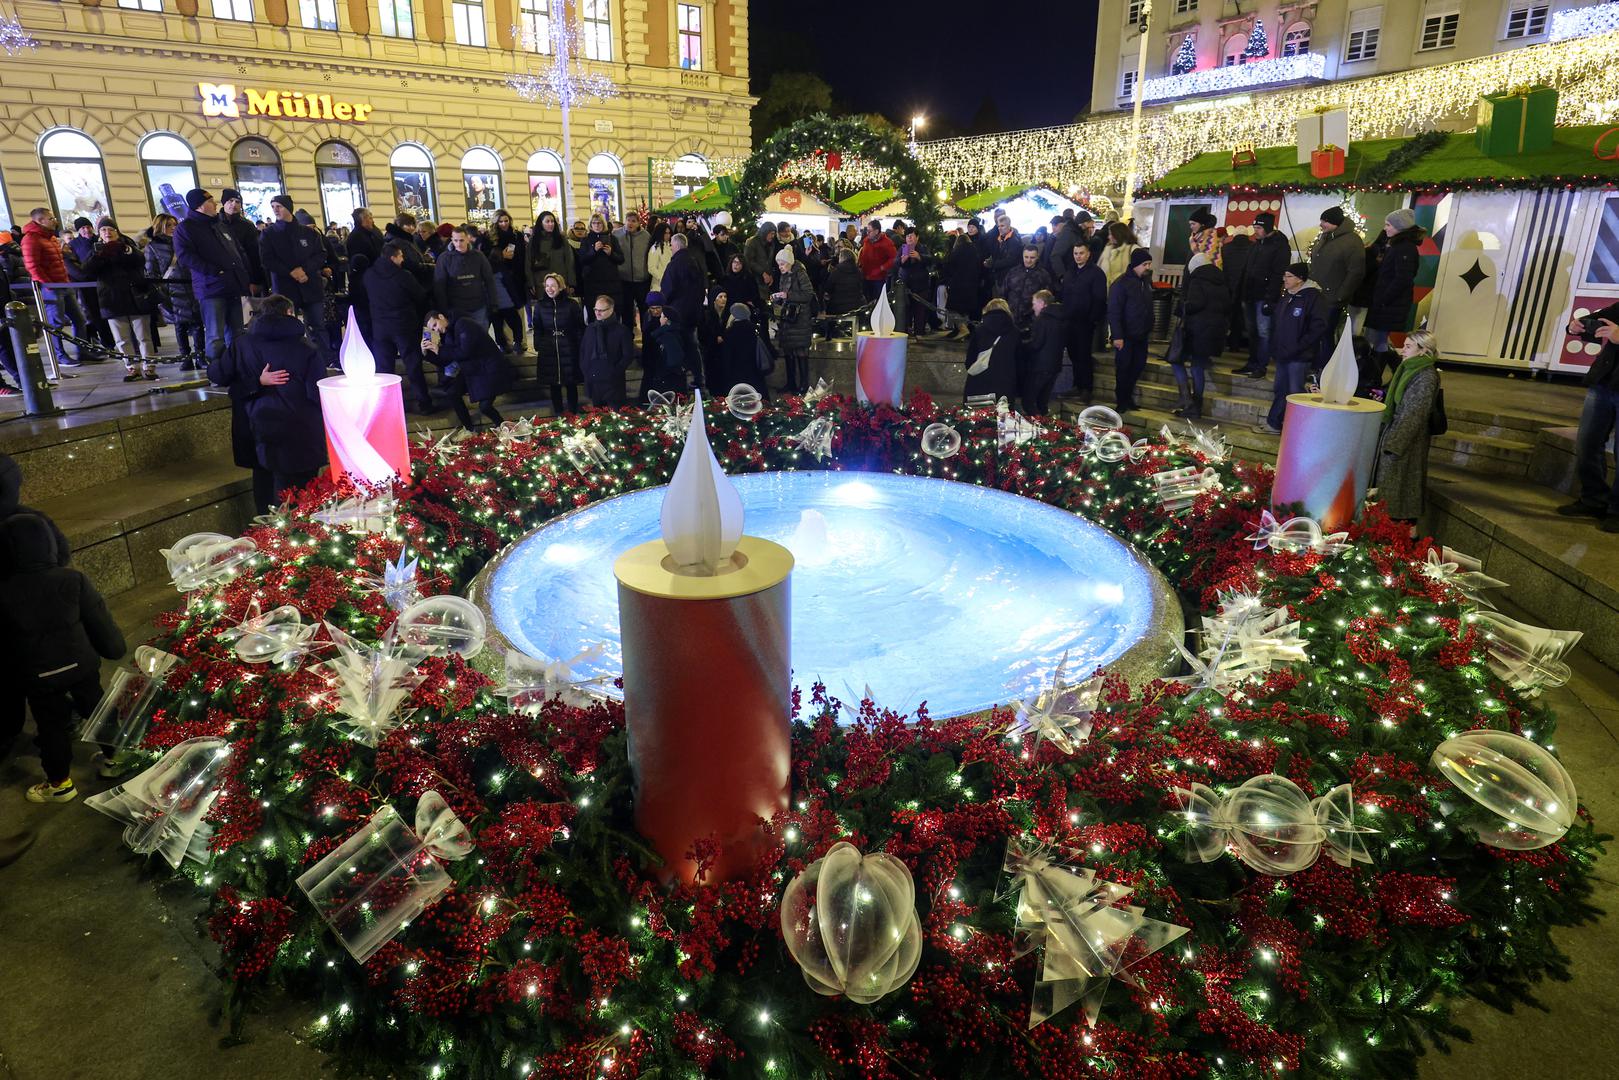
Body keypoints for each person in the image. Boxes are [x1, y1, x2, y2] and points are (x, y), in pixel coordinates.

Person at [0, 512, 126, 805]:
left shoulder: (3, 592)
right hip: (82, 665)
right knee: (97, 708)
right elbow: (99, 621)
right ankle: (116, 758)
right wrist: (114, 648)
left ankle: (59, 784)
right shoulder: (72, 579)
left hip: (38, 676)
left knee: (51, 727)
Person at [230, 295, 328, 501]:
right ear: (289, 313)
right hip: (302, 433)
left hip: (261, 428)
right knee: (300, 497)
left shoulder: (243, 344)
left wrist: (256, 382)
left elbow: (219, 375)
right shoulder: (306, 348)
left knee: (267, 492)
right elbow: (317, 393)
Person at [174, 188, 251, 374]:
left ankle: (237, 370)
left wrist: (243, 274)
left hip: (233, 285)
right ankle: (217, 372)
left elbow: (237, 250)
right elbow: (185, 256)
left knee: (237, 332)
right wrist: (213, 270)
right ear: (200, 206)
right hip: (211, 288)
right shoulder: (186, 228)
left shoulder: (220, 225)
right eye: (210, 201)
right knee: (215, 335)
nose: (215, 204)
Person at [1558, 304, 1619, 531]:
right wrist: (1576, 327)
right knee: (1587, 443)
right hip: (1605, 381)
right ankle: (1594, 500)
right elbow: (1599, 320)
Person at [1373, 329, 1441, 526]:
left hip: (1405, 445)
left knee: (1400, 497)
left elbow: (1414, 414)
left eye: (1408, 346)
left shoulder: (1426, 376)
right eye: (1404, 345)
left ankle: (1405, 538)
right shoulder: (1408, 369)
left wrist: (1394, 446)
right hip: (1396, 437)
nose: (1402, 350)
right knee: (1392, 495)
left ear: (1423, 350)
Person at [1255, 263, 1329, 435]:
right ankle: (1274, 423)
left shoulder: (1313, 298)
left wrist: (1299, 346)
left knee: (1296, 392)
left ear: (1300, 279)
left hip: (1299, 356)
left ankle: (1299, 430)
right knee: (1280, 389)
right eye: (1284, 275)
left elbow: (1318, 327)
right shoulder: (1287, 296)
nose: (1285, 279)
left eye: (1289, 276)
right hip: (1283, 354)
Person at [82, 218, 158, 382]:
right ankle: (132, 368)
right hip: (111, 300)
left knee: (144, 336)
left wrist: (124, 250)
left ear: (117, 231)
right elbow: (87, 270)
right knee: (121, 339)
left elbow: (140, 260)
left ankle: (149, 366)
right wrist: (100, 255)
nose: (107, 233)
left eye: (110, 229)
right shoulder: (95, 249)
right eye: (103, 230)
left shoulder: (127, 245)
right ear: (99, 233)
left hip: (135, 297)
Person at [258, 194, 331, 364]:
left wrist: (304, 269)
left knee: (317, 325)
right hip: (285, 288)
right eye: (273, 207)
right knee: (287, 326)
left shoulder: (308, 232)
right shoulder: (268, 234)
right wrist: (291, 272)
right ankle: (293, 361)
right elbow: (267, 260)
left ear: (288, 208)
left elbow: (320, 255)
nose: (275, 210)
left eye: (279, 206)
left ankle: (322, 360)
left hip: (310, 284)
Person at [19, 207, 95, 368]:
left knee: (79, 319)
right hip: (51, 288)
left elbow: (59, 262)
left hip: (63, 284)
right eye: (51, 218)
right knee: (55, 323)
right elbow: (32, 266)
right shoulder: (31, 239)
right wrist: (49, 285)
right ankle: (60, 356)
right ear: (40, 221)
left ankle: (83, 351)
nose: (55, 221)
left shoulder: (51, 237)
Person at [1363, 208, 1425, 391]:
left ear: (1400, 227)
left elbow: (1403, 279)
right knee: (1379, 341)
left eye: (1388, 225)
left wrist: (1384, 299)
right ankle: (1381, 377)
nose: (1385, 228)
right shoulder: (1397, 245)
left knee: (1379, 341)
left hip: (1389, 304)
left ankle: (1376, 379)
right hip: (1385, 303)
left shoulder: (1405, 248)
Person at [366, 242, 433, 409]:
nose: (403, 259)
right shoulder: (403, 276)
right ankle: (424, 402)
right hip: (403, 326)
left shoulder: (369, 275)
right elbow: (420, 295)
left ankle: (387, 404)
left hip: (380, 328)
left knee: (384, 369)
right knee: (413, 365)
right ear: (393, 258)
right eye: (401, 256)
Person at [421, 309, 511, 428]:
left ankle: (506, 428)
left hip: (489, 369)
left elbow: (464, 352)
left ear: (441, 317)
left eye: (435, 325)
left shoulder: (464, 324)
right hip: (474, 370)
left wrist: (440, 350)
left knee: (485, 407)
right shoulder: (449, 332)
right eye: (432, 329)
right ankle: (469, 429)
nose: (435, 330)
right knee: (453, 393)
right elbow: (448, 358)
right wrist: (426, 353)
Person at [1172, 252, 1229, 421]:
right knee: (1198, 367)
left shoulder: (1197, 281)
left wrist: (1181, 307)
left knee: (1176, 360)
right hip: (1214, 332)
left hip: (1197, 330)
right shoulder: (1221, 281)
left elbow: (1195, 304)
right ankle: (1196, 405)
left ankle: (1188, 401)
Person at [1309, 206, 1365, 370]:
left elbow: (1356, 272)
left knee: (1326, 334)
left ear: (1335, 223)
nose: (1321, 224)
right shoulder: (1326, 237)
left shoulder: (1352, 242)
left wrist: (1340, 295)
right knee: (1316, 332)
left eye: (1325, 221)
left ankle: (1325, 369)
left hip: (1332, 298)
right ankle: (1315, 366)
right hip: (1318, 295)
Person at [1235, 212, 1290, 380]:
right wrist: (1240, 292)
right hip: (1249, 294)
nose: (1255, 231)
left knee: (1263, 331)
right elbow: (1246, 270)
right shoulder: (1256, 245)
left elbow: (1278, 274)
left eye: (1259, 228)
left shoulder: (1280, 247)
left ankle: (1261, 365)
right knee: (1251, 331)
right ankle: (1252, 362)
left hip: (1264, 296)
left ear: (1267, 228)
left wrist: (1270, 298)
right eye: (1255, 227)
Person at [143, 213, 202, 366]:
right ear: (160, 227)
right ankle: (185, 357)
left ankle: (200, 355)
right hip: (171, 290)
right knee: (180, 324)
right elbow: (151, 271)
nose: (173, 228)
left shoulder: (184, 241)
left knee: (197, 322)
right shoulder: (153, 247)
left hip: (190, 286)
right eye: (169, 225)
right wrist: (160, 292)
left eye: (175, 224)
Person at [1058, 241, 1107, 403]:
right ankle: (1077, 385)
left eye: (1081, 253)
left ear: (1088, 254)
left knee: (1083, 355)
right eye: (1076, 253)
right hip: (1069, 321)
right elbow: (1064, 295)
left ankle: (1086, 389)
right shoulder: (1070, 272)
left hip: (1085, 322)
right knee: (1073, 355)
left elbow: (1099, 299)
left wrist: (1092, 319)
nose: (1078, 256)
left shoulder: (1096, 273)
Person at [1108, 248, 1155, 413]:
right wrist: (1117, 335)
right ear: (1135, 264)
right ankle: (1121, 400)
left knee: (1137, 366)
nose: (1148, 267)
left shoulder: (1145, 281)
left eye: (1149, 264)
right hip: (1126, 335)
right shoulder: (1121, 284)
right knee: (1123, 368)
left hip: (1141, 334)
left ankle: (1128, 398)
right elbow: (1114, 311)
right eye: (1145, 264)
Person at [659, 233, 706, 387]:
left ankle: (679, 380)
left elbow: (667, 289)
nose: (671, 248)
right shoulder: (695, 262)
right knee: (692, 344)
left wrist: (664, 308)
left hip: (677, 312)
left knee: (677, 346)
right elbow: (702, 287)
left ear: (677, 245)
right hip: (693, 311)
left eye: (671, 245)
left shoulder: (674, 265)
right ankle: (698, 377)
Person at [533, 272, 584, 414]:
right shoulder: (540, 306)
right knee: (554, 384)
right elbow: (538, 327)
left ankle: (573, 413)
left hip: (568, 347)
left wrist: (579, 345)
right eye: (547, 286)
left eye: (553, 286)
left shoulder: (571, 305)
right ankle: (559, 414)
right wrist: (539, 344)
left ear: (560, 287)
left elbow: (579, 327)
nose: (549, 289)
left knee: (571, 383)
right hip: (549, 348)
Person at [480, 209, 528, 354]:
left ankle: (520, 342)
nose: (504, 224)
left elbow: (522, 256)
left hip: (515, 278)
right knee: (500, 315)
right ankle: (505, 343)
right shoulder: (489, 237)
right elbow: (485, 259)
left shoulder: (516, 235)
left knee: (517, 314)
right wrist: (502, 256)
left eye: (506, 221)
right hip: (498, 279)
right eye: (500, 221)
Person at [433, 224, 498, 330]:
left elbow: (489, 280)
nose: (459, 244)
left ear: (468, 239)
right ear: (452, 240)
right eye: (456, 240)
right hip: (456, 308)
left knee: (481, 336)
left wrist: (493, 302)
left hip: (478, 306)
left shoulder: (478, 256)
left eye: (462, 240)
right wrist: (443, 308)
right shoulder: (444, 258)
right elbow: (439, 285)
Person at [772, 246, 816, 394]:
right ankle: (790, 383)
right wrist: (778, 298)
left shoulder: (800, 273)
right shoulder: (784, 275)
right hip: (788, 318)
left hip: (800, 319)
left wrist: (788, 296)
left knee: (800, 351)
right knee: (789, 351)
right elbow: (784, 294)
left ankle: (803, 384)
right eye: (778, 264)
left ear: (789, 263)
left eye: (782, 264)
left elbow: (808, 294)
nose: (780, 267)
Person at [578, 295, 635, 406]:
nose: (597, 313)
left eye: (601, 310)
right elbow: (583, 351)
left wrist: (615, 371)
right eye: (596, 309)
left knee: (616, 413)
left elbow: (627, 355)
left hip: (613, 383)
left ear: (611, 309)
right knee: (597, 413)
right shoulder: (590, 329)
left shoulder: (621, 330)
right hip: (594, 380)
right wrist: (586, 370)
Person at [963, 297, 1019, 403]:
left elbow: (970, 359)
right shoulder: (1015, 332)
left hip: (980, 382)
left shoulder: (980, 330)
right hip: (1005, 384)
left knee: (979, 411)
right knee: (1003, 412)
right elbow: (1019, 360)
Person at [1021, 289, 1066, 416]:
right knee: (1042, 402)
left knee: (1029, 402)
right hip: (1055, 365)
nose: (1033, 307)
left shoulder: (1042, 319)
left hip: (1040, 366)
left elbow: (1036, 344)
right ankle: (1046, 425)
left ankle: (1037, 425)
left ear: (1042, 303)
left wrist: (1022, 345)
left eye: (1034, 303)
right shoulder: (1061, 318)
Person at [577, 214, 624, 323]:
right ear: (590, 225)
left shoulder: (612, 239)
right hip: (592, 283)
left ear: (603, 224)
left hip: (611, 283)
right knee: (594, 315)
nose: (597, 225)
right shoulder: (586, 240)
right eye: (594, 223)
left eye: (599, 223)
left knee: (612, 313)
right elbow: (582, 260)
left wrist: (611, 253)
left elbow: (621, 259)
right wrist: (593, 251)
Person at [220, 189, 266, 294]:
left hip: (245, 277)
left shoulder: (247, 225)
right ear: (224, 203)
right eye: (230, 200)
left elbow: (254, 255)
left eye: (238, 202)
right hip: (222, 279)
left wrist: (256, 280)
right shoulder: (215, 223)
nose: (234, 204)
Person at [716, 302, 766, 396]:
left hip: (736, 373)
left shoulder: (730, 331)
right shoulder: (755, 329)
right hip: (754, 371)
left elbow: (727, 355)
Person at [1002, 245, 1052, 332]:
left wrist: (1035, 319)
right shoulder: (1013, 272)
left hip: (1030, 322)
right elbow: (1003, 293)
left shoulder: (1043, 275)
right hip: (1010, 319)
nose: (1028, 260)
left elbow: (1046, 301)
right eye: (1026, 257)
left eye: (1032, 258)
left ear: (1037, 257)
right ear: (1022, 256)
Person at [528, 210, 577, 300]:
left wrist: (571, 283)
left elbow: (569, 261)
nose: (551, 224)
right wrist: (531, 283)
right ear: (541, 223)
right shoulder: (533, 240)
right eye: (547, 221)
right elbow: (528, 263)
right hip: (541, 283)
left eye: (552, 221)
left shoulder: (561, 239)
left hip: (561, 282)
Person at [942, 233, 983, 336]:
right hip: (972, 284)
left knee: (952, 308)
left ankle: (962, 328)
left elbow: (949, 267)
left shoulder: (956, 251)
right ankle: (964, 331)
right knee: (966, 310)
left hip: (958, 285)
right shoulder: (975, 250)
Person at [856, 220, 897, 302]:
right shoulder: (866, 241)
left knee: (877, 301)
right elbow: (863, 255)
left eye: (869, 231)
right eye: (867, 231)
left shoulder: (887, 243)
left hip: (879, 279)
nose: (867, 233)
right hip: (866, 276)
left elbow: (893, 258)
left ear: (876, 231)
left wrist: (882, 268)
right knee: (867, 301)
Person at [698, 289, 729, 391]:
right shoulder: (707, 315)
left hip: (724, 353)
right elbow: (702, 334)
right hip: (711, 353)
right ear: (714, 300)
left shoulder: (728, 315)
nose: (723, 299)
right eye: (720, 297)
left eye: (725, 296)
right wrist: (715, 338)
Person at [823, 249, 864, 317]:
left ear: (842, 257)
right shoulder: (858, 271)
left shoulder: (836, 271)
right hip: (857, 305)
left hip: (838, 307)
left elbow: (828, 288)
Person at [1100, 221, 1140, 287]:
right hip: (1108, 289)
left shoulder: (1133, 249)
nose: (1109, 237)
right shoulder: (1108, 249)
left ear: (1118, 234)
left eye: (1111, 234)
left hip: (1125, 289)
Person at [646, 222, 675, 299]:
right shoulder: (655, 248)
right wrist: (663, 278)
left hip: (671, 284)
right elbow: (651, 268)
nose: (668, 235)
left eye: (669, 233)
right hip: (658, 286)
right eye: (665, 233)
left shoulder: (671, 246)